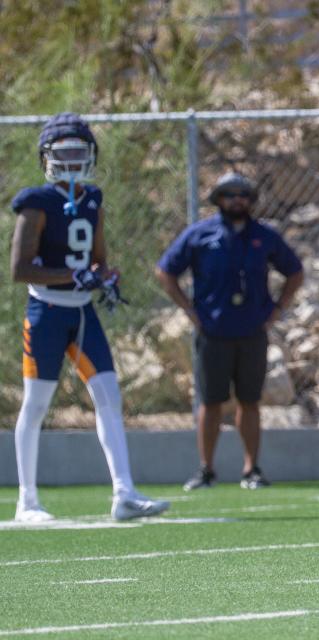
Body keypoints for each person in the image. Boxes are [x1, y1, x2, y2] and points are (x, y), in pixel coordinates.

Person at [10, 112, 170, 523]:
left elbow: (98, 260)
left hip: (82, 313)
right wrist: (72, 275)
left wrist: (103, 277)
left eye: (79, 152)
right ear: (46, 157)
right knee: (36, 405)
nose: (72, 160)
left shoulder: (93, 199)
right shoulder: (36, 203)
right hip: (45, 311)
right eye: (63, 154)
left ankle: (124, 493)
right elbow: (20, 269)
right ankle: (27, 500)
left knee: (109, 398)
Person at [155, 172, 304, 491]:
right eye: (230, 194)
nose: (237, 200)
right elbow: (166, 270)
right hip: (213, 332)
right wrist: (189, 310)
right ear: (219, 199)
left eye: (243, 195)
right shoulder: (200, 234)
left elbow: (294, 271)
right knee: (210, 402)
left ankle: (251, 469)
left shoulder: (264, 236)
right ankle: (206, 469)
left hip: (252, 330)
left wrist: (276, 311)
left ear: (251, 201)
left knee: (250, 401)